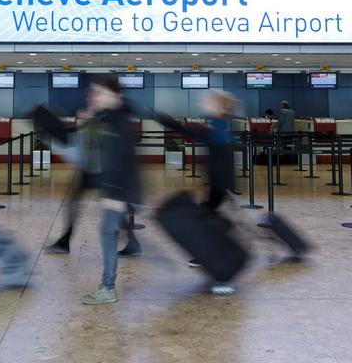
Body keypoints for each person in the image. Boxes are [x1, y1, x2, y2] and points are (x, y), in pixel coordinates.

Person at [155, 90, 239, 294]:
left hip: (220, 183)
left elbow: (195, 133)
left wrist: (166, 121)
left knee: (205, 219)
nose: (203, 101)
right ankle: (214, 258)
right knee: (207, 217)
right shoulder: (221, 123)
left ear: (219, 105)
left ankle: (221, 267)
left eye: (208, 100)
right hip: (220, 183)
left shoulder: (219, 125)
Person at [45, 96, 141, 258]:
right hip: (92, 170)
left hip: (99, 171)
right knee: (76, 203)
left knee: (104, 206)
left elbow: (97, 142)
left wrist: (89, 119)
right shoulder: (96, 121)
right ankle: (132, 242)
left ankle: (65, 241)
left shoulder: (103, 120)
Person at [80, 74, 141, 306]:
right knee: (111, 230)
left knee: (107, 232)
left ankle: (108, 287)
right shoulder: (113, 115)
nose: (94, 96)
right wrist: (92, 110)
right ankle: (133, 245)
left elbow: (122, 158)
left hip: (119, 189)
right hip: (116, 188)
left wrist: (115, 193)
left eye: (99, 92)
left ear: (115, 94)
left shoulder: (120, 121)